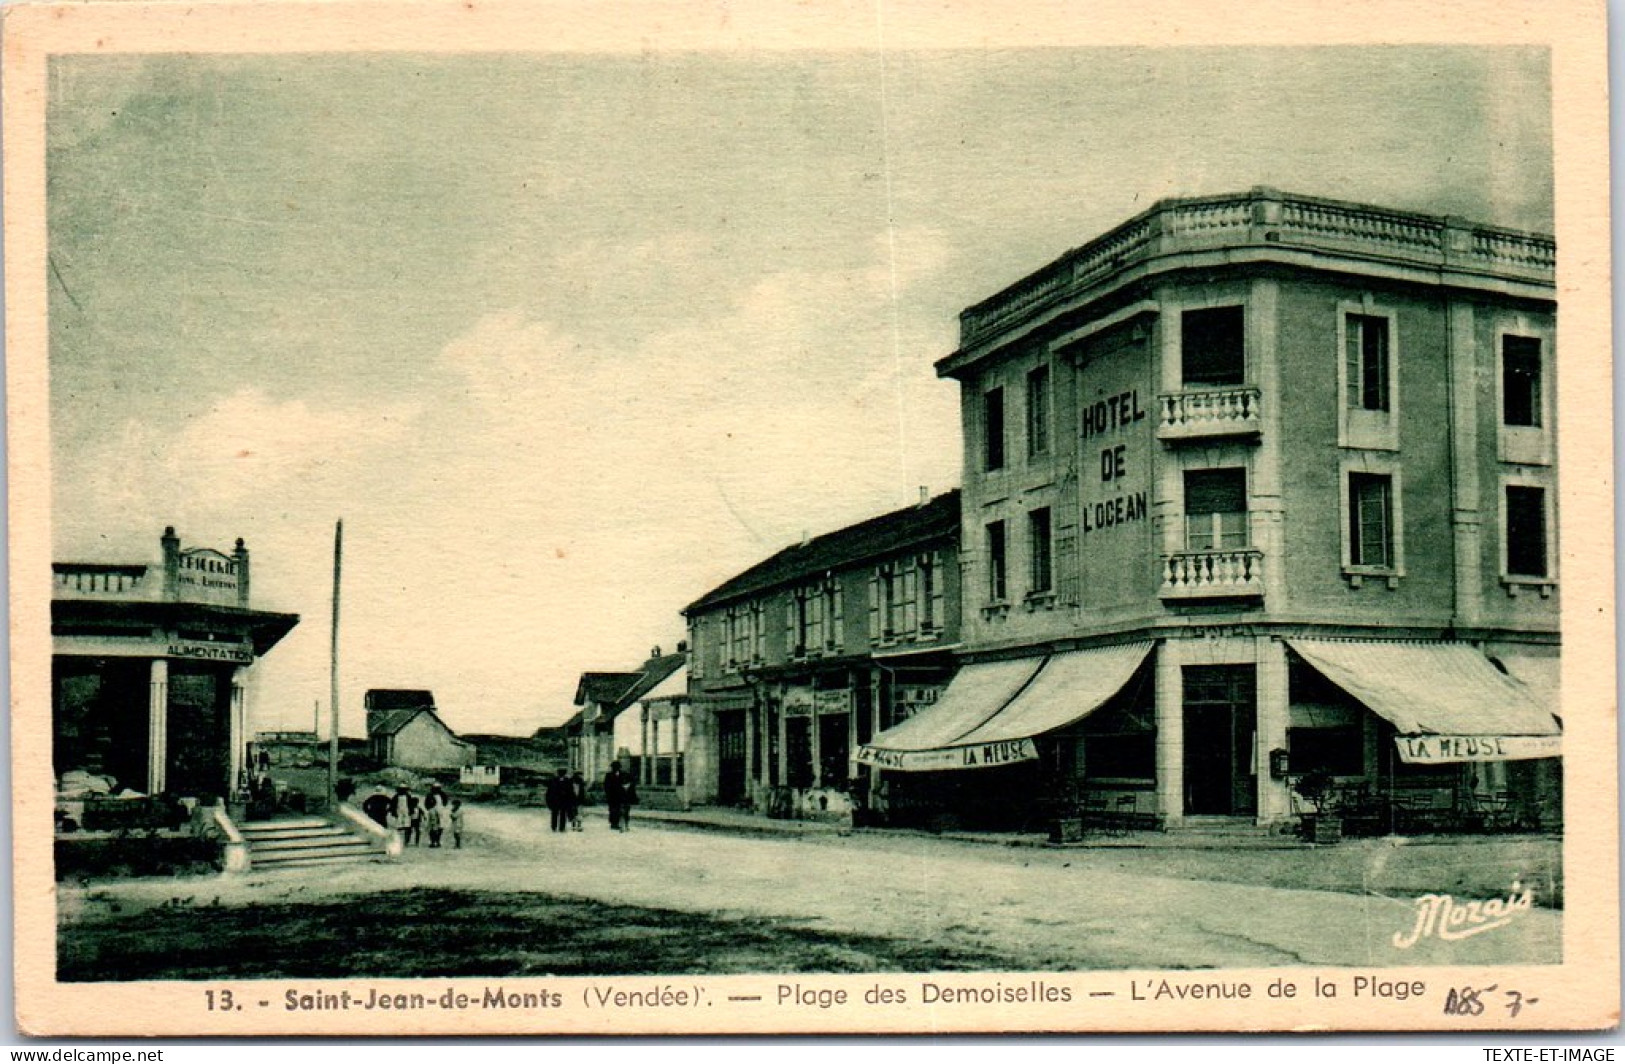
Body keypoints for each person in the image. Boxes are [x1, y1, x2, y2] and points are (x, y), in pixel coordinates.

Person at [603, 760, 635, 832]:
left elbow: (629, 783)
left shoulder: (624, 775)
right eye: (613, 767)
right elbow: (606, 786)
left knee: (623, 811)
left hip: (622, 796)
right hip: (613, 797)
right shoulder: (609, 775)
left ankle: (623, 824)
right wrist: (608, 794)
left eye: (616, 767)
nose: (615, 769)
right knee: (613, 810)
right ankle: (614, 824)